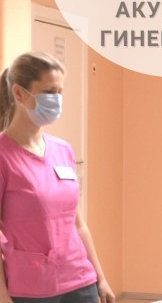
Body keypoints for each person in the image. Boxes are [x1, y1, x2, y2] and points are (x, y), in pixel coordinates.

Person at [0, 52, 115, 303]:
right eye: (49, 92)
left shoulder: (62, 150)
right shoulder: (3, 156)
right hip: (31, 287)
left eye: (60, 92)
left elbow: (78, 224)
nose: (57, 100)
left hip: (80, 279)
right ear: (19, 93)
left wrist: (100, 277)